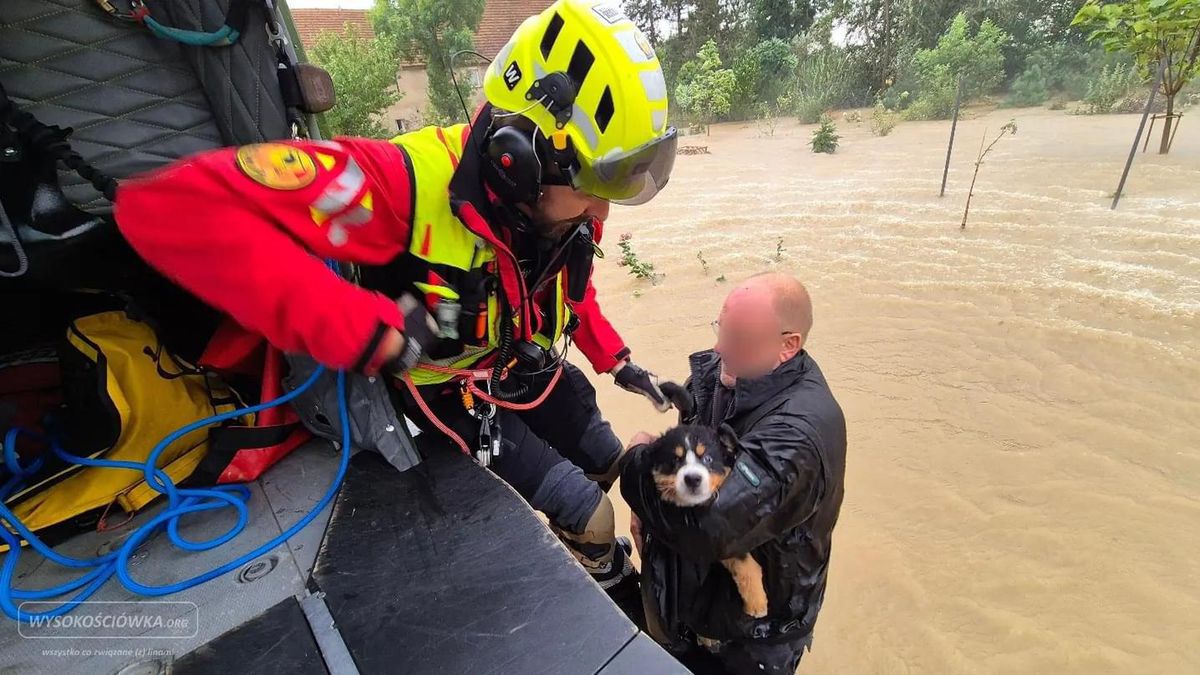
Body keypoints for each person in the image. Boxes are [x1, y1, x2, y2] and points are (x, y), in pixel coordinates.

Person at [113, 0, 678, 612]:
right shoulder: (392, 185)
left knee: (608, 457)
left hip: (521, 364)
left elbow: (568, 290)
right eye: (594, 191)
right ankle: (603, 572)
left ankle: (596, 549)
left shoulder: (557, 214)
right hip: (450, 392)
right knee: (590, 513)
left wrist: (618, 361)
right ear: (519, 158)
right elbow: (170, 210)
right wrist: (370, 331)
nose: (602, 214)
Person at [621, 272, 847, 674]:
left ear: (788, 345)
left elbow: (708, 526)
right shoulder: (721, 371)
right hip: (689, 596)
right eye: (722, 329)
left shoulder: (798, 435)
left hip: (753, 632)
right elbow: (683, 454)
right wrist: (649, 508)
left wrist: (637, 460)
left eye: (738, 338)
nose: (719, 347)